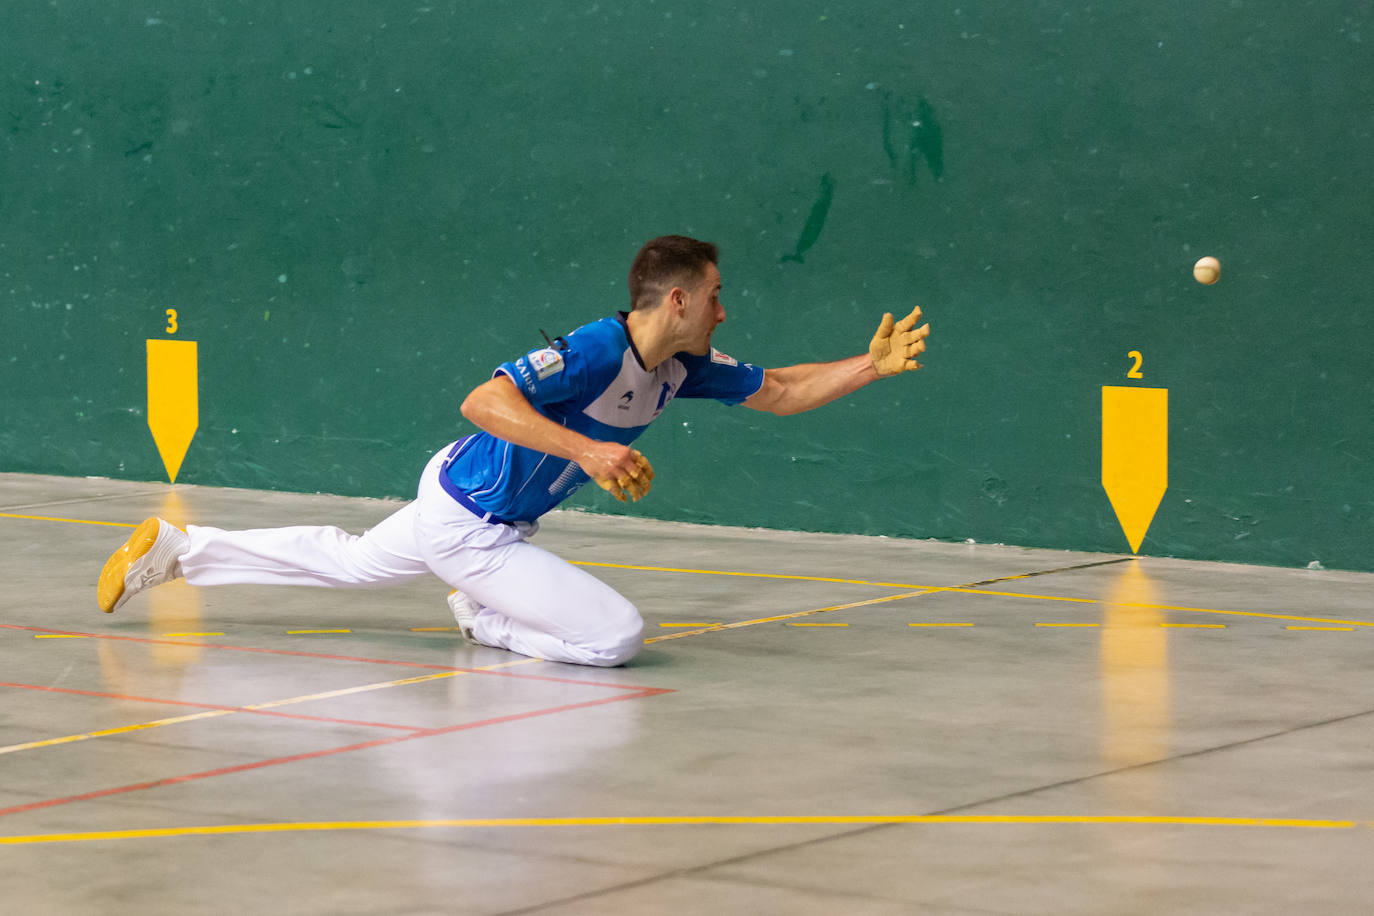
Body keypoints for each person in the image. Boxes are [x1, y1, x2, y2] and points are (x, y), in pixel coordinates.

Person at [97, 236, 930, 667]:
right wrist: (592, 452)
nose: (725, 311)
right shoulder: (597, 351)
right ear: (678, 298)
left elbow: (781, 390)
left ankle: (179, 548)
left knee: (352, 563)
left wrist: (872, 366)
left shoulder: (686, 366)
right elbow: (482, 400)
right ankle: (487, 617)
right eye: (716, 296)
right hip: (472, 521)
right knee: (614, 640)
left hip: (456, 496)